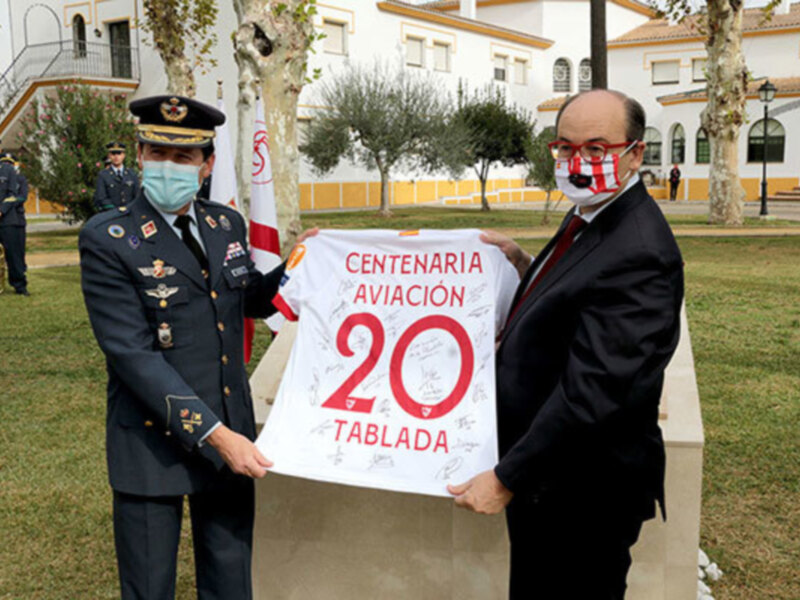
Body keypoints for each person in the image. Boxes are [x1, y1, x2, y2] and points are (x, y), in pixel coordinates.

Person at [448, 89, 684, 599]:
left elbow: (595, 391)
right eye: (566, 148)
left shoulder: (640, 252)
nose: (579, 163)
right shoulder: (594, 214)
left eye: (597, 150)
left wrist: (506, 476)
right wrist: (521, 262)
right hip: (550, 482)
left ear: (635, 154)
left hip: (583, 493)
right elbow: (579, 296)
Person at [80, 95, 315, 600]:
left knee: (230, 580)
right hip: (152, 442)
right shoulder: (108, 237)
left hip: (228, 429)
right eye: (157, 154)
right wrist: (216, 436)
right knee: (149, 588)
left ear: (206, 165)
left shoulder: (223, 224)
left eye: (183, 158)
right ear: (140, 157)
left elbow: (244, 298)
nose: (169, 167)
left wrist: (299, 262)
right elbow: (132, 355)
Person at [0, 152, 28, 296]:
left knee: (13, 254)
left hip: (7, 219)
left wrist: (1, 210)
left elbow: (12, 194)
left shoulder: (8, 170)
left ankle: (19, 285)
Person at [93, 141, 139, 212]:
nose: (116, 156)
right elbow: (101, 198)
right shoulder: (103, 175)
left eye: (119, 153)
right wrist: (116, 211)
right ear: (109, 156)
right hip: (111, 214)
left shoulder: (132, 174)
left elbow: (137, 196)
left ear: (124, 155)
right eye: (113, 154)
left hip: (130, 213)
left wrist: (129, 209)